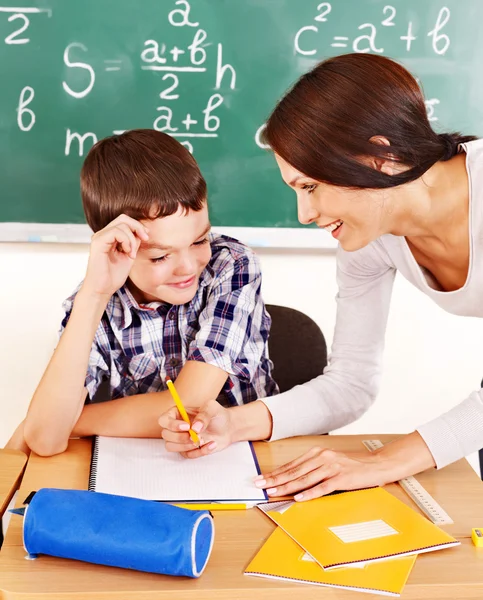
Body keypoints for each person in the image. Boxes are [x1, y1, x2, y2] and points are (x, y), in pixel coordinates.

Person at [158, 53, 483, 499]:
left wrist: (382, 463)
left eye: (310, 187)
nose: (304, 213)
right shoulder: (368, 240)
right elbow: (350, 384)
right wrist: (234, 423)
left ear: (379, 156)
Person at [8, 129, 277, 456]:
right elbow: (46, 439)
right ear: (118, 246)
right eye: (161, 256)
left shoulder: (231, 265)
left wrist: (75, 421)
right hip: (144, 466)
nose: (188, 267)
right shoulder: (97, 299)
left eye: (199, 240)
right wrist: (94, 296)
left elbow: (189, 406)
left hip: (247, 458)